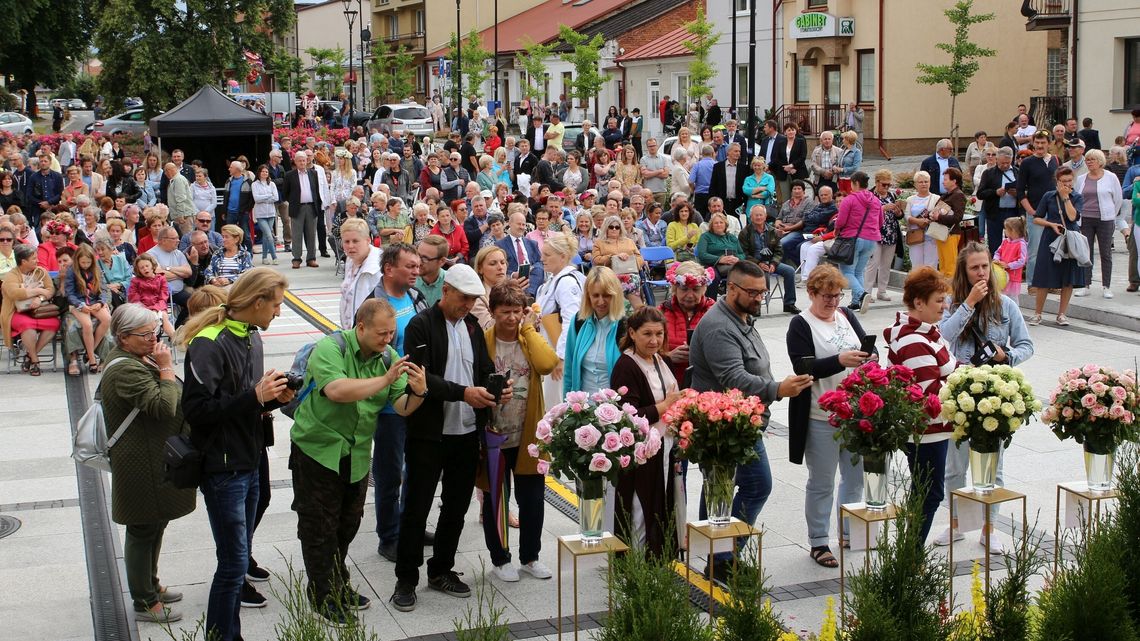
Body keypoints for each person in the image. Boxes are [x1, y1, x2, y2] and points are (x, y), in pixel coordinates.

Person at [290, 298, 426, 623]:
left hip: (357, 455)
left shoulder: (387, 358)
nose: (388, 340)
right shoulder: (330, 348)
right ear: (360, 327)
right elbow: (336, 390)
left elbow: (402, 407)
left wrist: (418, 393)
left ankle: (337, 582)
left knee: (346, 526)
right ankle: (323, 595)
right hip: (317, 451)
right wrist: (386, 379)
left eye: (392, 334)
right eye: (381, 333)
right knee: (318, 527)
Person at [390, 265, 513, 612]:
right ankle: (406, 578)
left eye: (473, 300)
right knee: (416, 507)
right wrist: (464, 393)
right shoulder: (421, 325)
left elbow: (484, 368)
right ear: (446, 292)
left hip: (466, 431)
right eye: (463, 299)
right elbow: (421, 378)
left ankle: (441, 569)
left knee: (456, 507)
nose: (468, 305)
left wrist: (497, 388)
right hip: (429, 433)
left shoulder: (472, 326)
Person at [179, 268, 294, 641]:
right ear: (257, 302)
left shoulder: (250, 335)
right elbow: (197, 411)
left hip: (250, 458)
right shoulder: (210, 341)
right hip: (224, 468)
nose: (278, 312)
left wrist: (272, 400)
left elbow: (243, 404)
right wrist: (255, 397)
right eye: (275, 304)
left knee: (238, 561)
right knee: (232, 566)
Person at [689, 261, 813, 582]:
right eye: (753, 292)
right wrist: (777, 389)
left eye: (762, 291)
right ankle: (723, 557)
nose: (760, 298)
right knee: (750, 485)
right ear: (731, 289)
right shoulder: (719, 326)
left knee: (720, 488)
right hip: (723, 425)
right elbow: (734, 378)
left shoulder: (741, 316)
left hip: (741, 421)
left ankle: (721, 559)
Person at [935, 242, 1034, 551]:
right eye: (974, 268)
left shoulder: (1007, 307)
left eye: (984, 266)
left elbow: (1027, 346)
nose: (981, 272)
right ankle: (957, 524)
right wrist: (968, 304)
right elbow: (941, 338)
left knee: (994, 466)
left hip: (995, 393)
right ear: (964, 273)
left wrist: (1007, 356)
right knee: (955, 467)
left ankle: (988, 528)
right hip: (960, 391)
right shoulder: (952, 304)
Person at [102, 304, 196, 624]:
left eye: (155, 330)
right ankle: (144, 601)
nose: (154, 338)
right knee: (142, 528)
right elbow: (163, 406)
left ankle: (150, 585)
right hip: (138, 461)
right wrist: (167, 369)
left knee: (156, 522)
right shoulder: (123, 368)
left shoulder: (137, 357)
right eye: (146, 335)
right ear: (124, 338)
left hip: (152, 456)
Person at [786, 264, 873, 568]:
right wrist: (839, 360)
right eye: (827, 296)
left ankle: (848, 531)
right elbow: (803, 367)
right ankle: (819, 541)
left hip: (854, 412)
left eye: (837, 296)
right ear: (811, 293)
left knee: (855, 477)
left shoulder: (847, 316)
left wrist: (869, 356)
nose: (833, 302)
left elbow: (863, 347)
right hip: (820, 415)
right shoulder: (800, 324)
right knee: (822, 480)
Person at [482, 283, 559, 582]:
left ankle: (530, 556)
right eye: (505, 313)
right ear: (492, 312)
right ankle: (500, 558)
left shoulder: (529, 339)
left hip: (528, 435)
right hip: (494, 435)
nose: (512, 318)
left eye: (517, 312)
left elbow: (547, 363)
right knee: (496, 499)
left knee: (533, 498)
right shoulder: (484, 341)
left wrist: (528, 330)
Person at [884, 266, 957, 544]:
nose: (944, 305)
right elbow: (929, 395)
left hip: (933, 429)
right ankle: (910, 555)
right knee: (928, 494)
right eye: (938, 300)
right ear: (918, 302)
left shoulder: (926, 332)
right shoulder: (914, 339)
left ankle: (909, 554)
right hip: (927, 430)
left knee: (925, 492)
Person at [609, 306, 683, 556]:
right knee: (640, 509)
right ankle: (635, 565)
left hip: (665, 445)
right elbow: (627, 415)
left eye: (659, 334)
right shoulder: (626, 366)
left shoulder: (662, 359)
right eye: (647, 334)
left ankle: (657, 563)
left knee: (662, 506)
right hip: (640, 450)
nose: (654, 340)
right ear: (632, 333)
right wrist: (664, 407)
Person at [1028, 167, 1085, 326]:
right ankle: (1037, 313)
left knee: (1068, 278)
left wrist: (1066, 198)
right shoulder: (1049, 196)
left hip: (1069, 238)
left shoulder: (1077, 197)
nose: (1067, 184)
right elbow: (1036, 219)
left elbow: (1073, 217)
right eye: (1063, 181)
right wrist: (1050, 224)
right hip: (1051, 238)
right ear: (1057, 181)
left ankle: (1062, 314)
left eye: (1069, 181)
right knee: (1045, 276)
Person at [534, 233, 585, 409]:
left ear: (563, 256)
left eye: (547, 255)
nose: (542, 258)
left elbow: (571, 321)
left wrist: (561, 358)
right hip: (550, 347)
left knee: (555, 403)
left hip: (558, 350)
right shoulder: (554, 280)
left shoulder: (566, 283)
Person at [1072, 149, 1122, 299]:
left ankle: (1106, 286)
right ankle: (1085, 284)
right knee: (1086, 252)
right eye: (1087, 159)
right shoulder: (1081, 178)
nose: (1089, 162)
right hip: (1086, 219)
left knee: (1105, 252)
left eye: (1093, 159)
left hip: (1105, 219)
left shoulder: (1111, 177)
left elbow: (1117, 198)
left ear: (1100, 161)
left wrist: (1111, 214)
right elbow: (1077, 197)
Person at [1, 244, 58, 376]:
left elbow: (50, 290)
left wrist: (41, 298)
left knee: (54, 323)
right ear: (23, 261)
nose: (36, 261)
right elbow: (15, 293)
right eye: (33, 258)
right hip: (15, 311)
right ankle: (35, 361)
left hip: (38, 311)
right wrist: (38, 290)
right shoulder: (11, 276)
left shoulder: (40, 272)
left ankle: (29, 356)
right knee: (27, 326)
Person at [833, 171, 883, 311]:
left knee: (846, 271)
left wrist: (837, 231)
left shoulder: (849, 199)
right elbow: (880, 221)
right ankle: (856, 302)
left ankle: (861, 295)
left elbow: (841, 221)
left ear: (855, 183)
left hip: (853, 238)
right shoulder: (876, 200)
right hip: (872, 239)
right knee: (859, 271)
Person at [739, 205, 800, 314]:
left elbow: (779, 251)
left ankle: (789, 304)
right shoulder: (745, 233)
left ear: (765, 216)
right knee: (762, 273)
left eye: (760, 215)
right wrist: (758, 263)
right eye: (756, 215)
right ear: (751, 217)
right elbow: (743, 253)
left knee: (790, 271)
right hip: (754, 263)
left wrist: (774, 263)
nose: (758, 217)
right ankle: (756, 306)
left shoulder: (773, 231)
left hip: (771, 262)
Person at [1016, 131, 1059, 281]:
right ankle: (1033, 282)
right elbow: (1020, 190)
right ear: (1033, 143)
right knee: (1034, 250)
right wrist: (1031, 211)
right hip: (1036, 211)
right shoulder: (1027, 163)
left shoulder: (1055, 160)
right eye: (1037, 143)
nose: (1040, 146)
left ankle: (1051, 281)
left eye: (1043, 143)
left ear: (1049, 143)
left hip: (1054, 212)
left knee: (1053, 248)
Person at [65, 244, 111, 373]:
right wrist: (80, 305)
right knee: (87, 324)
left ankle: (88, 351)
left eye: (88, 262)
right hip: (78, 303)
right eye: (83, 262)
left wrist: (101, 303)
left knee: (107, 319)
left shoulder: (96, 269)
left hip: (94, 301)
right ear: (77, 260)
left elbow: (103, 289)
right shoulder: (71, 270)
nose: (85, 265)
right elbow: (70, 293)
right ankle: (91, 359)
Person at [283, 150, 330, 269]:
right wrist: (294, 201)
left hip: (311, 207)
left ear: (307, 161)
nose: (302, 162)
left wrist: (319, 205)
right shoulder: (289, 175)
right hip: (297, 208)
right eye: (299, 160)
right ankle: (297, 258)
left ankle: (311, 258)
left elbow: (317, 190)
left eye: (304, 160)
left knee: (311, 234)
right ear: (295, 161)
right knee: (297, 234)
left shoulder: (313, 173)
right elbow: (285, 193)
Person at [865, 170, 902, 301]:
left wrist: (898, 212)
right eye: (883, 184)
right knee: (872, 264)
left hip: (890, 233)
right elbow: (866, 213)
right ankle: (867, 292)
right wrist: (883, 208)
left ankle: (882, 290)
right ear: (877, 182)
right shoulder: (870, 195)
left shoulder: (892, 195)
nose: (886, 187)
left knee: (886, 265)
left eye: (888, 185)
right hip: (875, 233)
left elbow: (899, 216)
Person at [338, 219, 382, 329]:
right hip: (350, 331)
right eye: (346, 242)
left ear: (368, 240)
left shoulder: (377, 267)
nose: (350, 246)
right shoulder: (351, 259)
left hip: (369, 332)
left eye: (355, 241)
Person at [976, 147, 1020, 258]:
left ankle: (1011, 264)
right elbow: (980, 194)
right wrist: (995, 192)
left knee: (1013, 242)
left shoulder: (1017, 172)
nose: (1004, 165)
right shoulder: (989, 173)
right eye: (1001, 163)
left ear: (1012, 160)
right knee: (994, 244)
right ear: (997, 160)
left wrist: (1017, 194)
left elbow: (1025, 191)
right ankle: (994, 265)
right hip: (995, 213)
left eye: (1007, 163)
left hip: (1013, 213)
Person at [593, 214, 645, 306]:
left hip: (630, 272)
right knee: (631, 280)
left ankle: (634, 308)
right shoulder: (599, 243)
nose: (614, 229)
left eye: (617, 227)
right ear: (606, 228)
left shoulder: (629, 242)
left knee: (633, 278)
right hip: (609, 274)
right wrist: (613, 257)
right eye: (611, 227)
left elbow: (640, 258)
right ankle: (632, 306)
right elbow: (596, 260)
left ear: (620, 229)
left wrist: (630, 261)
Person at [128, 253, 175, 340]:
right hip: (142, 308)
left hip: (159, 307)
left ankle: (175, 338)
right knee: (147, 319)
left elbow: (163, 297)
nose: (145, 268)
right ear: (138, 270)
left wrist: (155, 308)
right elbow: (134, 298)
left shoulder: (161, 279)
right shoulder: (135, 281)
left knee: (164, 316)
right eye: (142, 267)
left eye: (147, 265)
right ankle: (152, 340)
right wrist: (146, 309)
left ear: (152, 266)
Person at [933, 167, 967, 279]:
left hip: (950, 233)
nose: (943, 181)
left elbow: (958, 217)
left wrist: (939, 217)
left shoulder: (958, 195)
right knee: (943, 266)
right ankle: (945, 292)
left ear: (954, 181)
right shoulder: (948, 194)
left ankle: (951, 293)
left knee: (950, 267)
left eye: (946, 179)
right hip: (942, 233)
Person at [905, 171, 942, 269]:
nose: (924, 184)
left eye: (926, 181)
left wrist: (929, 220)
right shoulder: (910, 199)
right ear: (915, 184)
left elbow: (940, 214)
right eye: (920, 182)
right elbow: (907, 216)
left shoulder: (936, 198)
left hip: (931, 237)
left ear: (930, 183)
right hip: (915, 236)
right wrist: (918, 221)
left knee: (931, 266)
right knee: (916, 267)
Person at [251, 165, 279, 265]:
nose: (265, 173)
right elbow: (256, 199)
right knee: (269, 236)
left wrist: (264, 198)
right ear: (259, 173)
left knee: (265, 236)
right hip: (260, 214)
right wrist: (268, 196)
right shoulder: (254, 184)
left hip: (271, 214)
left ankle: (264, 257)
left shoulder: (272, 184)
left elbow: (276, 198)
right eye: (263, 171)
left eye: (266, 172)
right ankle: (274, 257)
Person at [415, 235, 448, 307]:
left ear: (442, 261)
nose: (419, 262)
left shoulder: (450, 284)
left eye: (425, 258)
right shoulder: (409, 280)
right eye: (418, 255)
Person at [810, 132, 843, 196]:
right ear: (821, 140)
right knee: (821, 197)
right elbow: (813, 164)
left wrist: (832, 171)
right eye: (825, 139)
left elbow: (841, 164)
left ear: (832, 140)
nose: (827, 141)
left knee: (834, 197)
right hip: (820, 178)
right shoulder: (816, 151)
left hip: (834, 178)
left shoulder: (839, 151)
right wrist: (823, 172)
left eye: (829, 139)